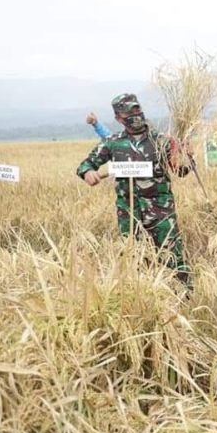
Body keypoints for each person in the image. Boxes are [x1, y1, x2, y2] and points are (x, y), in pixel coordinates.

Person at [76, 93, 192, 292]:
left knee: (173, 256)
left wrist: (186, 156)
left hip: (161, 212)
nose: (135, 115)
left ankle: (185, 298)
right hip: (129, 214)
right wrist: (88, 173)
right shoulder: (112, 143)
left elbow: (181, 171)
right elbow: (86, 164)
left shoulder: (162, 141)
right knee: (136, 259)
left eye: (137, 110)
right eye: (128, 113)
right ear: (118, 118)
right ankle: (144, 301)